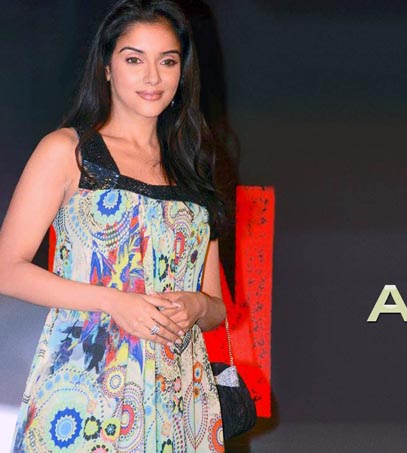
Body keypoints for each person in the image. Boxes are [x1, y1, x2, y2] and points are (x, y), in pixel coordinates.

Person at [0, 1, 227, 451]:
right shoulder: (68, 151)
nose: (152, 77)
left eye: (167, 61)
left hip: (180, 398)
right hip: (84, 389)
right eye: (134, 59)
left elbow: (216, 305)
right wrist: (114, 302)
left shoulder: (193, 166)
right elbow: (7, 268)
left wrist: (196, 306)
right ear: (107, 67)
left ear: (182, 72)